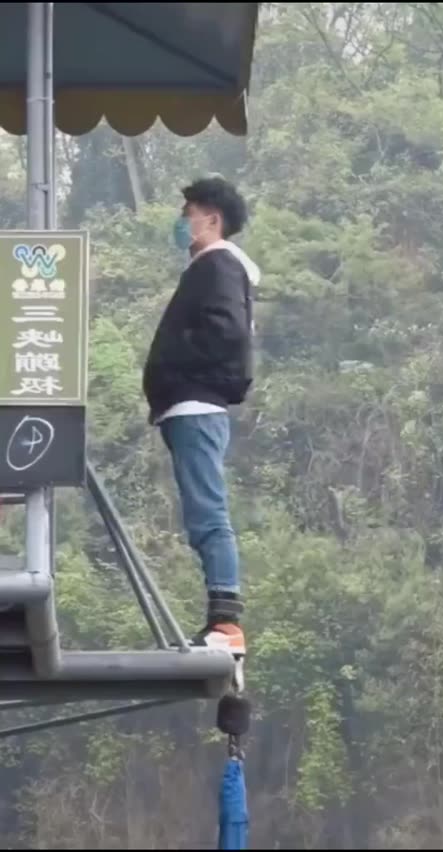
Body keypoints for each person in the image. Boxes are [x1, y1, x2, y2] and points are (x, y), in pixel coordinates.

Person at [143, 177, 260, 660]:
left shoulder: (218, 265)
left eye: (188, 212)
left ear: (212, 219)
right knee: (202, 514)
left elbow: (226, 333)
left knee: (208, 514)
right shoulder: (210, 268)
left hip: (195, 405)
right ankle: (220, 620)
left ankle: (226, 622)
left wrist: (176, 366)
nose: (181, 221)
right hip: (188, 406)